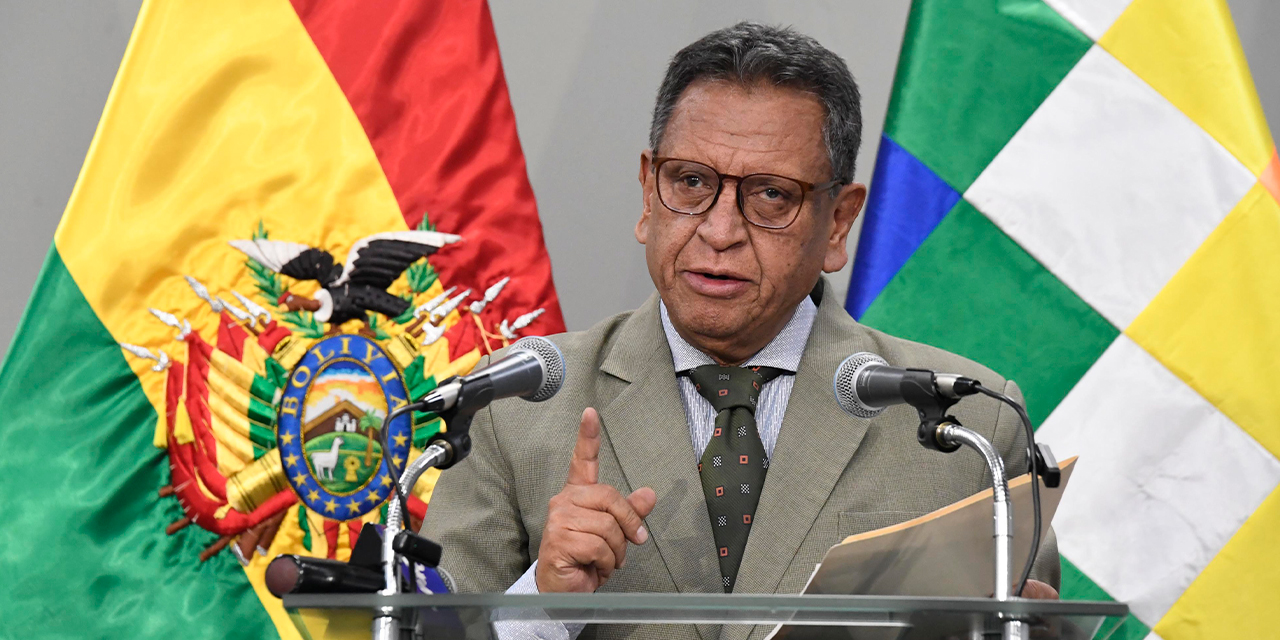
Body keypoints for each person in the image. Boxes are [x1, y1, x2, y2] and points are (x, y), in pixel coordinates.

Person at [421, 21, 1060, 640]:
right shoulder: (517, 404)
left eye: (770, 196)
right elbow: (424, 632)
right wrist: (542, 604)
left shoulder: (966, 424)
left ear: (838, 222)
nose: (720, 231)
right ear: (648, 193)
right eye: (691, 182)